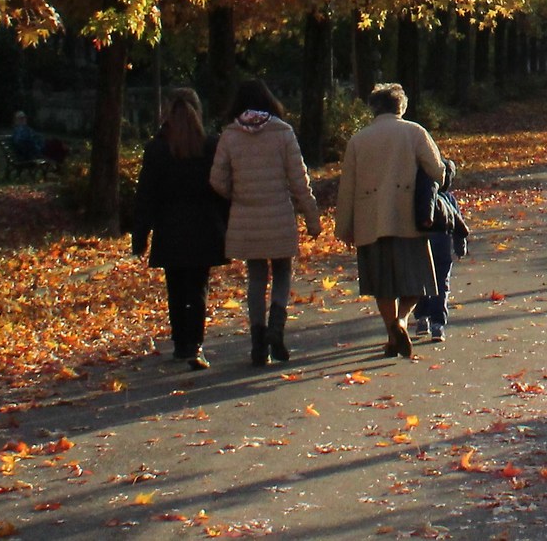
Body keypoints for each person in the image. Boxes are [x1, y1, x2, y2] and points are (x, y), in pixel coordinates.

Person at [210, 77, 321, 367]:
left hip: (246, 216)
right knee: (283, 271)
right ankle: (277, 329)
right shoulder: (283, 133)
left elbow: (216, 179)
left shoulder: (230, 135)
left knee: (256, 277)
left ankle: (258, 341)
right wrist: (311, 216)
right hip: (279, 214)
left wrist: (237, 193)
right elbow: (299, 179)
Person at [335, 83, 446, 359]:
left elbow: (347, 186)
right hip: (408, 218)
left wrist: (345, 227)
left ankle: (390, 334)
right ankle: (403, 320)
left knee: (382, 284)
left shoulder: (358, 140)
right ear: (401, 106)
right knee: (419, 280)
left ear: (374, 108)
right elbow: (437, 172)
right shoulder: (415, 132)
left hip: (370, 221)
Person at [128, 88, 228, 369]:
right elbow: (222, 190)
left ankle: (180, 343)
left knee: (176, 288)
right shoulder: (209, 146)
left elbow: (146, 195)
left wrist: (140, 235)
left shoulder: (157, 149)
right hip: (203, 227)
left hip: (169, 228)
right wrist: (227, 226)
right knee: (197, 289)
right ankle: (195, 344)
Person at [409, 157, 467, 345]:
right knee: (441, 284)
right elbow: (458, 223)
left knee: (421, 281)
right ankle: (437, 323)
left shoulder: (418, 197)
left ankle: (422, 317)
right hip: (442, 244)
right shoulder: (449, 199)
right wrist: (460, 246)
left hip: (420, 244)